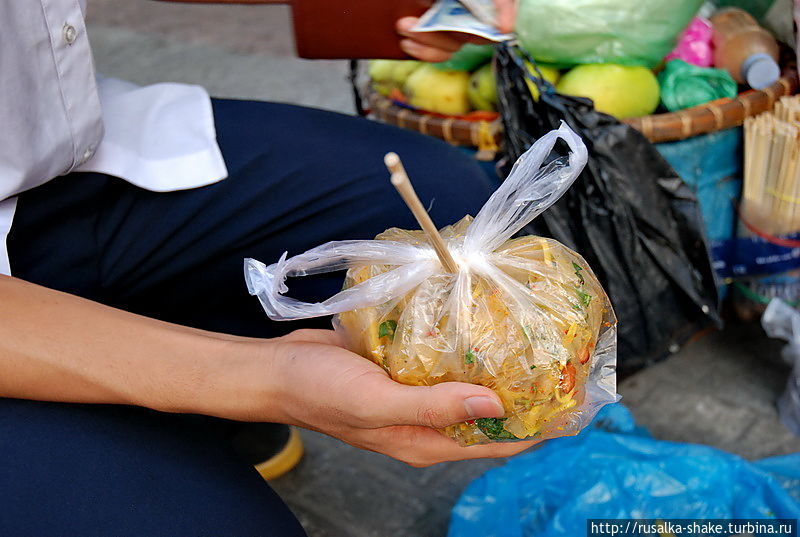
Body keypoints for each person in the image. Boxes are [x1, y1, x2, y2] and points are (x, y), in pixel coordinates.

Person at [0, 1, 538, 535]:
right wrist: (268, 379)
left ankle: (203, 420)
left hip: (59, 158)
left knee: (442, 204)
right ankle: (162, 426)